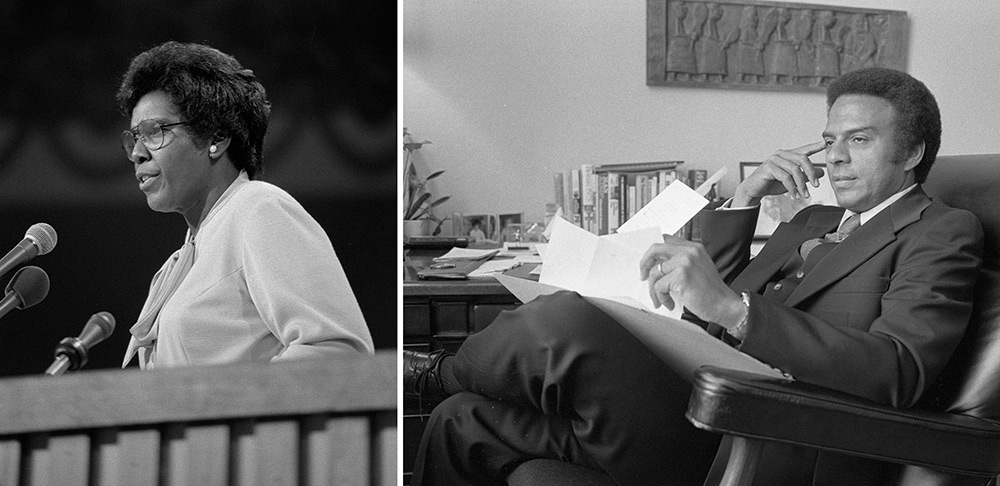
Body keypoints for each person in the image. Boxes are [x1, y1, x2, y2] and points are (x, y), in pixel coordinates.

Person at [403, 66, 983, 485]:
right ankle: (447, 389)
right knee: (463, 424)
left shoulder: (942, 229)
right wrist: (743, 201)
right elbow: (722, 297)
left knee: (565, 320)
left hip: (767, 438)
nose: (833, 157)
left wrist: (735, 312)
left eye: (859, 140)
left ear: (912, 154)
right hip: (694, 399)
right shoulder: (815, 217)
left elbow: (899, 370)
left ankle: (434, 375)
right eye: (829, 140)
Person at [118, 41, 373, 369]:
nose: (138, 152)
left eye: (154, 132)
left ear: (216, 138)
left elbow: (337, 351)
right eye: (134, 137)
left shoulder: (259, 210)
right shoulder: (182, 260)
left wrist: (233, 413)